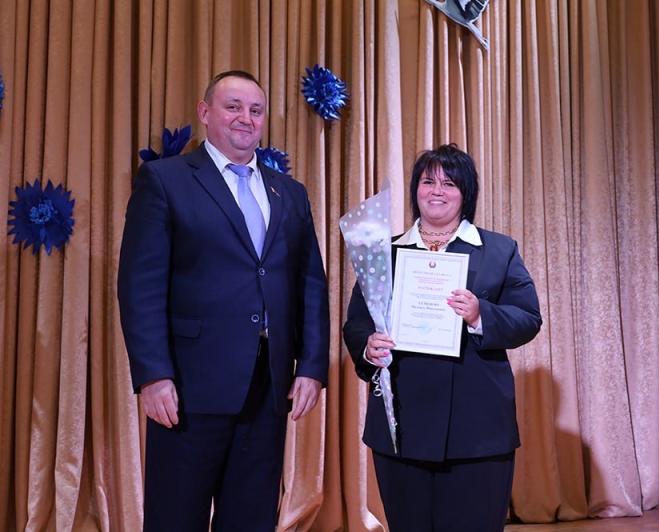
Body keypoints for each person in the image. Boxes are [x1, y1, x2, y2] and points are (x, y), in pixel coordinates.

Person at [118, 70, 329, 531]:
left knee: (252, 518)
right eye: (233, 107)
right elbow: (140, 286)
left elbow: (310, 283)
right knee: (176, 518)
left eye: (255, 110)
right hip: (188, 388)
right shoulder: (165, 180)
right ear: (205, 112)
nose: (245, 118)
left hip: (268, 388)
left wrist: (312, 366)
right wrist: (153, 375)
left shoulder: (289, 193)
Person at [343, 144, 542, 532]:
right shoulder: (386, 253)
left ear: (466, 193)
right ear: (415, 189)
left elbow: (528, 318)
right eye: (428, 181)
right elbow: (357, 323)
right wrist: (368, 346)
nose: (437, 190)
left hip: (478, 430)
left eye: (449, 183)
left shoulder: (499, 251)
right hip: (402, 423)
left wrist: (480, 314)